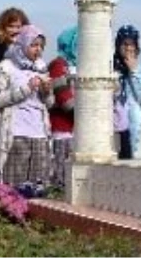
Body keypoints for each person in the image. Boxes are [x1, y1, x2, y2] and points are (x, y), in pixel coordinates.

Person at [0, 25, 53, 186]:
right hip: (16, 134)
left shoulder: (41, 67)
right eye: (33, 45)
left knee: (39, 186)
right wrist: (27, 88)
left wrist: (47, 92)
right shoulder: (7, 66)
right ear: (23, 44)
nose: (38, 50)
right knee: (14, 186)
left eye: (41, 46)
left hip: (39, 134)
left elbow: (49, 103)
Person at [47, 26, 78, 192]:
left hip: (76, 128)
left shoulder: (79, 66)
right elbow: (63, 96)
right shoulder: (59, 65)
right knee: (61, 169)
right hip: (62, 128)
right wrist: (85, 115)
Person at [112, 25, 141, 161]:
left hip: (134, 125)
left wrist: (134, 72)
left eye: (132, 44)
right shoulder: (110, 67)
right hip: (114, 126)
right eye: (125, 44)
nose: (128, 48)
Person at [0, 8, 29, 102]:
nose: (15, 30)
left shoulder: (28, 50)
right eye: (11, 26)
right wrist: (13, 47)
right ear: (3, 28)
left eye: (18, 27)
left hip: (22, 101)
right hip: (0, 101)